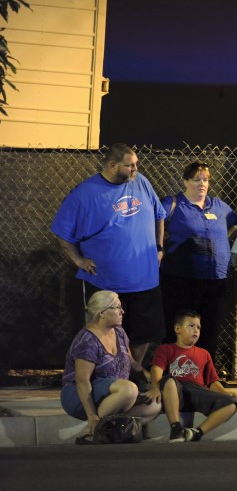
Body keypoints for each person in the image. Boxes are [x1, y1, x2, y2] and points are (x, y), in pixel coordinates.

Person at [51, 143, 166, 379]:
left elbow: (159, 214)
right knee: (106, 331)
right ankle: (119, 374)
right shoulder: (85, 193)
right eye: (130, 165)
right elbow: (62, 232)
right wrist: (78, 260)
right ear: (113, 166)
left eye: (136, 164)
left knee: (144, 332)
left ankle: (130, 371)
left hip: (144, 277)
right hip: (105, 280)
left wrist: (159, 247)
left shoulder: (141, 182)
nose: (136, 169)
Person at [160, 161, 237, 360]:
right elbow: (154, 224)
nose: (202, 184)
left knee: (210, 328)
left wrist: (221, 240)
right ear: (185, 181)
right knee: (180, 326)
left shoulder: (219, 206)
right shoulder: (172, 204)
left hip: (216, 279)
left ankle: (204, 374)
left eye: (205, 180)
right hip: (181, 279)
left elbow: (235, 224)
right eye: (196, 180)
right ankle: (176, 372)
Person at [60, 290, 161, 445]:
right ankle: (91, 430)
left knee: (154, 404)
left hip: (113, 393)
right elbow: (82, 381)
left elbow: (133, 365)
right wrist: (92, 415)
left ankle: (110, 430)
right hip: (78, 395)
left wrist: (156, 383)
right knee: (129, 390)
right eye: (117, 308)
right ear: (102, 313)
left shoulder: (119, 332)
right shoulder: (88, 341)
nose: (122, 312)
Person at [146, 310, 237, 442]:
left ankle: (196, 433)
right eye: (191, 326)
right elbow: (156, 371)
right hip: (174, 391)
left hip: (196, 392)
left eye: (198, 327)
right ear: (177, 329)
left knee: (231, 404)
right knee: (169, 381)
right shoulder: (165, 349)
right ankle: (176, 428)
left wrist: (224, 392)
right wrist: (155, 387)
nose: (196, 330)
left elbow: (212, 381)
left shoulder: (204, 353)